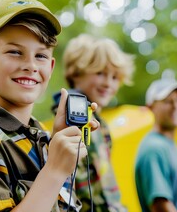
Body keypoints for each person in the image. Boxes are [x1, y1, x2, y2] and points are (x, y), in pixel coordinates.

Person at [0, 0, 99, 212]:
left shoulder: (45, 137)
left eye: (40, 56)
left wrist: (61, 144)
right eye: (15, 52)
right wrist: (54, 170)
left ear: (51, 67)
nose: (31, 65)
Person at [52, 34, 135, 211]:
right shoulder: (72, 120)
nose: (108, 83)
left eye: (115, 77)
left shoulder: (98, 121)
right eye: (100, 73)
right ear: (76, 73)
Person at [134, 78, 177, 212]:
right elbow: (161, 205)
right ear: (150, 108)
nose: (175, 106)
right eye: (167, 101)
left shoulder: (167, 144)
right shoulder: (154, 148)